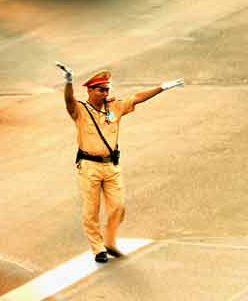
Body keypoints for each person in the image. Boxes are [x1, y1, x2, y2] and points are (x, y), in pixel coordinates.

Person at [61, 67, 183, 263]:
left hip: (111, 166)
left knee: (118, 206)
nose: (105, 93)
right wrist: (68, 83)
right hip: (89, 166)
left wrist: (162, 87)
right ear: (90, 90)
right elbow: (68, 101)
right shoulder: (81, 110)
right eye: (101, 89)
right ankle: (98, 248)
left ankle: (109, 241)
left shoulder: (114, 107)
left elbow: (136, 98)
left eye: (107, 89)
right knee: (91, 210)